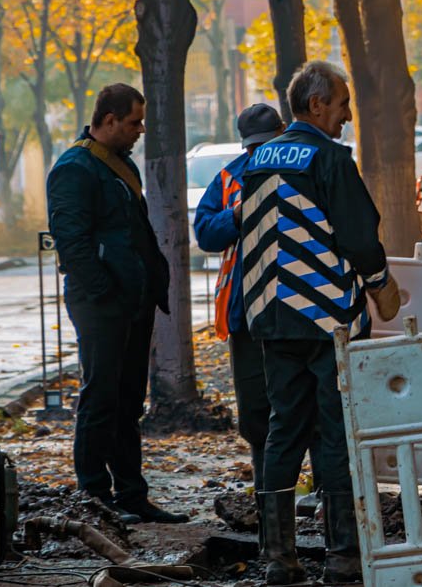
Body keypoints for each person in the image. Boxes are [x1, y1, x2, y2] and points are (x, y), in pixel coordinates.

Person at [240, 60, 401, 585]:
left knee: (283, 428)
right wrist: (379, 282)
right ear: (316, 105)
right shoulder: (330, 159)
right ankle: (342, 555)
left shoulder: (257, 161)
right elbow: (358, 234)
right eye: (341, 105)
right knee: (335, 429)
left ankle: (278, 558)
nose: (347, 116)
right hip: (327, 315)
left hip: (271, 316)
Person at [46, 83, 188, 525]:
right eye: (133, 122)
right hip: (101, 304)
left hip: (133, 302)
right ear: (108, 120)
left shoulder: (121, 165)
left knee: (128, 403)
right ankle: (93, 496)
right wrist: (106, 292)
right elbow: (72, 244)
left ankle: (132, 495)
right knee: (101, 398)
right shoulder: (74, 168)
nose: (140, 130)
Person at [192, 104, 285, 518]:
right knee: (258, 413)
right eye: (254, 147)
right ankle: (270, 501)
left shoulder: (299, 170)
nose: (259, 153)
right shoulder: (230, 178)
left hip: (290, 309)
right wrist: (236, 214)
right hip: (249, 312)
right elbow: (206, 232)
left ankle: (313, 495)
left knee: (301, 410)